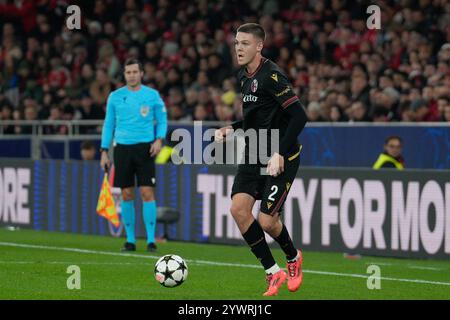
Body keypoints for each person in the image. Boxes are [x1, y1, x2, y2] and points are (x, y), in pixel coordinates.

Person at [214, 23, 308, 297]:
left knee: (267, 222)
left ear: (258, 46)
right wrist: (233, 126)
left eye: (244, 43)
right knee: (239, 210)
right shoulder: (244, 76)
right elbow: (258, 116)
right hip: (254, 152)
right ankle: (272, 272)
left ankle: (292, 257)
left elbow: (299, 116)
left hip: (282, 156)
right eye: (236, 43)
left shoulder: (272, 76)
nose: (238, 48)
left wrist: (279, 152)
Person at [100, 58, 168, 252]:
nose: (131, 75)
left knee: (147, 192)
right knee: (127, 193)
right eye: (128, 72)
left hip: (145, 149)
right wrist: (104, 151)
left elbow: (162, 120)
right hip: (122, 149)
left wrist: (158, 139)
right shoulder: (115, 96)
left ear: (141, 74)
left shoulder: (152, 95)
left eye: (135, 72)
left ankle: (150, 241)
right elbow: (108, 124)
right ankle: (130, 240)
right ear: (124, 75)